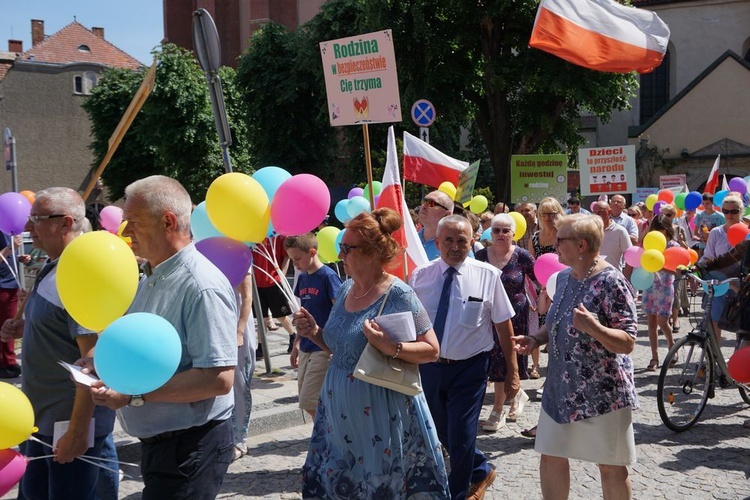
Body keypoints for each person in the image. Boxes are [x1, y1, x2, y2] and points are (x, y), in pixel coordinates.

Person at [88, 176, 238, 498]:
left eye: (134, 223)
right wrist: (97, 360)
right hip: (166, 443)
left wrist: (132, 396)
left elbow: (217, 379)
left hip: (190, 444)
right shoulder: (150, 275)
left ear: (168, 222)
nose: (124, 233)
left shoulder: (201, 286)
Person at [293, 208, 449, 498]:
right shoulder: (345, 289)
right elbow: (340, 350)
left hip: (381, 414)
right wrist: (314, 332)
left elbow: (432, 350)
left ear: (371, 252)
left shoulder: (398, 293)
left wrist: (392, 347)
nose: (340, 255)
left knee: (379, 485)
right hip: (337, 414)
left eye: (346, 248)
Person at [0, 187, 117, 500]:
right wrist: (29, 327)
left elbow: (91, 363)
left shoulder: (80, 273)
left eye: (37, 219)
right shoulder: (55, 265)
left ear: (66, 223)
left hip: (69, 429)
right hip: (41, 423)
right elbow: (64, 330)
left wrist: (77, 433)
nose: (28, 227)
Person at [513, 214, 639, 499]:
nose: (554, 245)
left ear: (581, 245)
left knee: (611, 467)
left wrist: (595, 328)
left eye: (560, 240)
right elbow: (556, 321)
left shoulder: (612, 282)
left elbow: (628, 342)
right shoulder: (565, 277)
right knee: (552, 456)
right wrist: (536, 338)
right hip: (560, 390)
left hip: (604, 394)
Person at [410, 215, 516, 499]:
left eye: (462, 241)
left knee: (461, 432)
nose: (455, 246)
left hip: (470, 367)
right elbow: (411, 322)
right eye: (449, 240)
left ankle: (457, 492)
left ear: (472, 242)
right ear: (437, 242)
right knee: (438, 427)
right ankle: (480, 469)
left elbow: (503, 324)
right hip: (429, 367)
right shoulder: (420, 276)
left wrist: (512, 371)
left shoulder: (488, 275)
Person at [475, 214, 535, 431]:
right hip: (488, 316)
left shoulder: (522, 256)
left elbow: (539, 280)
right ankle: (508, 401)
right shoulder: (480, 256)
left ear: (513, 233)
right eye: (496, 230)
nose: (500, 234)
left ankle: (503, 406)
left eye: (505, 230)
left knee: (510, 359)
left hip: (515, 315)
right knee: (496, 360)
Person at [284, 233, 341, 419]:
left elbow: (340, 312)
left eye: (298, 258)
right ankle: (326, 433)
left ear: (313, 252)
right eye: (292, 260)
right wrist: (296, 344)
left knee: (309, 399)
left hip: (323, 346)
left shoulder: (328, 277)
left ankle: (330, 432)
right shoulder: (302, 279)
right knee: (307, 398)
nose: (295, 264)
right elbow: (303, 314)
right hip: (306, 347)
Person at [700, 193, 743, 346]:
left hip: (741, 284)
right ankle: (715, 360)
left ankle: (739, 361)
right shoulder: (716, 233)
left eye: (734, 211)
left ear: (741, 211)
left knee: (741, 327)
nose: (729, 215)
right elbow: (708, 257)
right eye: (726, 211)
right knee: (714, 321)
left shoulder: (746, 233)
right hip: (719, 283)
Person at [643, 216, 678, 371]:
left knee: (663, 322)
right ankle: (654, 357)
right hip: (650, 285)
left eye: (658, 230)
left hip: (665, 287)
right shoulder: (650, 244)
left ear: (665, 230)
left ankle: (672, 348)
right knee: (651, 323)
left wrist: (661, 266)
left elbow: (678, 270)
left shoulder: (672, 246)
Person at [230, 272, 258, 461]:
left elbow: (248, 296)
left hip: (237, 329)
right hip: (216, 325)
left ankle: (239, 440)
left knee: (239, 386)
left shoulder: (239, 254)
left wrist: (239, 331)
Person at [253, 235, 296, 355]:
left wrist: (282, 274)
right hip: (257, 283)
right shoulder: (252, 235)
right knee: (261, 317)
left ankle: (293, 335)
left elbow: (286, 256)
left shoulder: (278, 237)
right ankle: (261, 347)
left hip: (274, 281)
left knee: (281, 315)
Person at [0, 232, 26, 379]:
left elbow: (7, 258)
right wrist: (11, 248)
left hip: (11, 284)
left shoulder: (6, 231)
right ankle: (7, 363)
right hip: (2, 285)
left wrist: (19, 258)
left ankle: (8, 361)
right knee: (6, 324)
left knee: (11, 323)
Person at [592, 201, 632, 273]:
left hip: (613, 277)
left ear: (609, 212)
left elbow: (630, 256)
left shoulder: (620, 231)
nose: (597, 216)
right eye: (595, 213)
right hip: (593, 277)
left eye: (600, 212)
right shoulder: (589, 231)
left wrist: (626, 277)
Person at [418, 190, 454, 260]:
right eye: (424, 201)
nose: (424, 206)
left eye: (431, 203)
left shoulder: (456, 247)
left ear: (446, 215)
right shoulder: (409, 240)